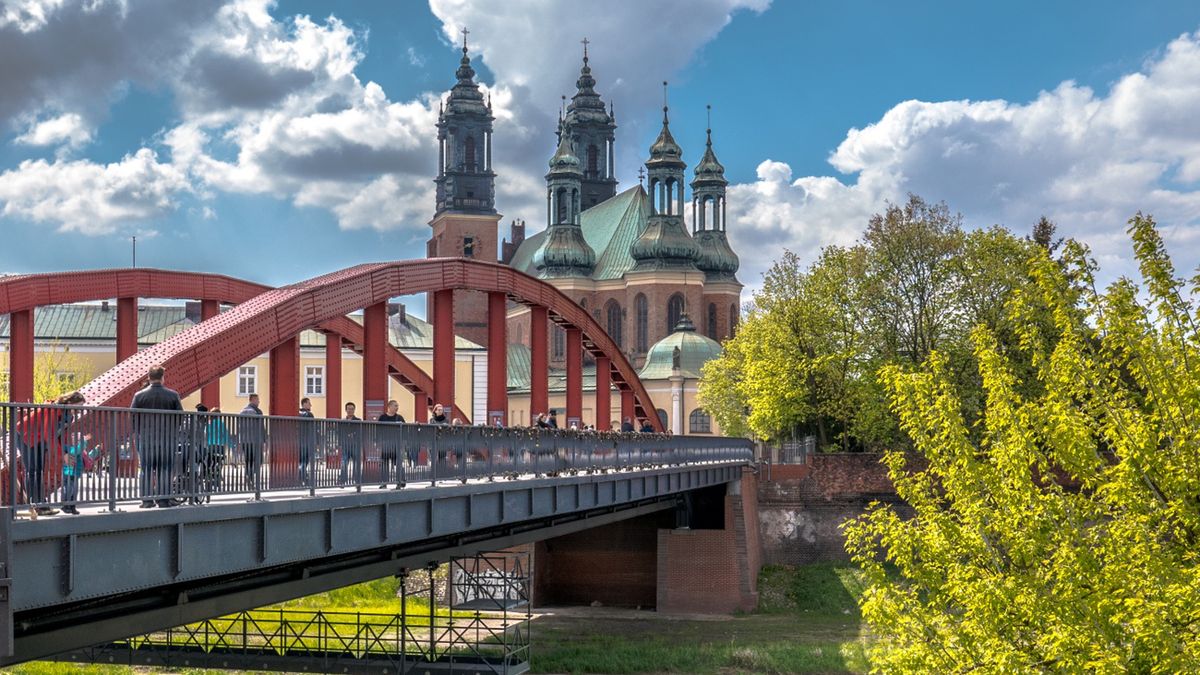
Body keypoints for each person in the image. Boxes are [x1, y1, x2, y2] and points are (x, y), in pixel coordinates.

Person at [19, 390, 85, 515]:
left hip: (38, 439)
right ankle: (37, 505)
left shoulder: (68, 416)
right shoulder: (53, 410)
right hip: (25, 435)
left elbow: (60, 435)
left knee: (39, 471)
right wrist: (63, 454)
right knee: (33, 471)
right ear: (70, 402)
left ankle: (41, 505)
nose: (79, 409)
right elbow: (48, 434)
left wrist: (66, 451)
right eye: (78, 406)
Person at [131, 366, 183, 508]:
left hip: (146, 439)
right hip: (167, 440)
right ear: (162, 377)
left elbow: (133, 417)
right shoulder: (173, 395)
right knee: (165, 468)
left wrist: (139, 433)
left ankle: (147, 501)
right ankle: (163, 500)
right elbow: (180, 417)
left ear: (148, 377)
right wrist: (173, 431)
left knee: (146, 469)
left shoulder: (139, 396)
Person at [60, 431, 99, 515]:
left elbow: (89, 458)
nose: (77, 441)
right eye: (76, 439)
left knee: (74, 490)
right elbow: (76, 451)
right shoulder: (69, 448)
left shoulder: (80, 449)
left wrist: (96, 449)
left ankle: (72, 506)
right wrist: (84, 440)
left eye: (78, 439)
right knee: (69, 489)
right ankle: (66, 505)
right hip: (69, 472)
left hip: (75, 473)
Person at [239, 394, 265, 494]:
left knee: (248, 460)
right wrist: (264, 440)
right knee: (258, 460)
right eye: (258, 400)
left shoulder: (242, 411)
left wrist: (240, 440)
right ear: (253, 400)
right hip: (255, 440)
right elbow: (261, 427)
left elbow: (240, 428)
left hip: (245, 440)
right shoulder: (257, 412)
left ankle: (248, 477)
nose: (259, 402)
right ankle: (251, 478)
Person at [377, 399, 405, 489]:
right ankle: (384, 482)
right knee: (384, 464)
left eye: (397, 406)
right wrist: (377, 441)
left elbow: (404, 429)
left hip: (397, 444)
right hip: (385, 444)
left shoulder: (399, 418)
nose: (397, 408)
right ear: (389, 407)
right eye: (395, 406)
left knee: (398, 464)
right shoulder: (382, 417)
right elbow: (378, 430)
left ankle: (400, 482)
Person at [338, 402, 361, 485]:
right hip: (345, 445)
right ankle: (343, 480)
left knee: (356, 463)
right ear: (346, 410)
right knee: (344, 462)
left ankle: (356, 480)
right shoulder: (342, 421)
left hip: (355, 445)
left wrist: (354, 435)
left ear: (354, 410)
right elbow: (340, 433)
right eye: (348, 409)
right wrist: (340, 443)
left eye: (352, 409)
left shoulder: (358, 421)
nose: (350, 410)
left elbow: (360, 432)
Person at [298, 398, 317, 484]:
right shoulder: (309, 414)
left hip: (298, 440)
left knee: (300, 460)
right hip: (307, 440)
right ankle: (304, 478)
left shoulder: (297, 414)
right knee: (304, 461)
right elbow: (312, 428)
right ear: (304, 404)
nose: (310, 405)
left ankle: (301, 477)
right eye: (309, 403)